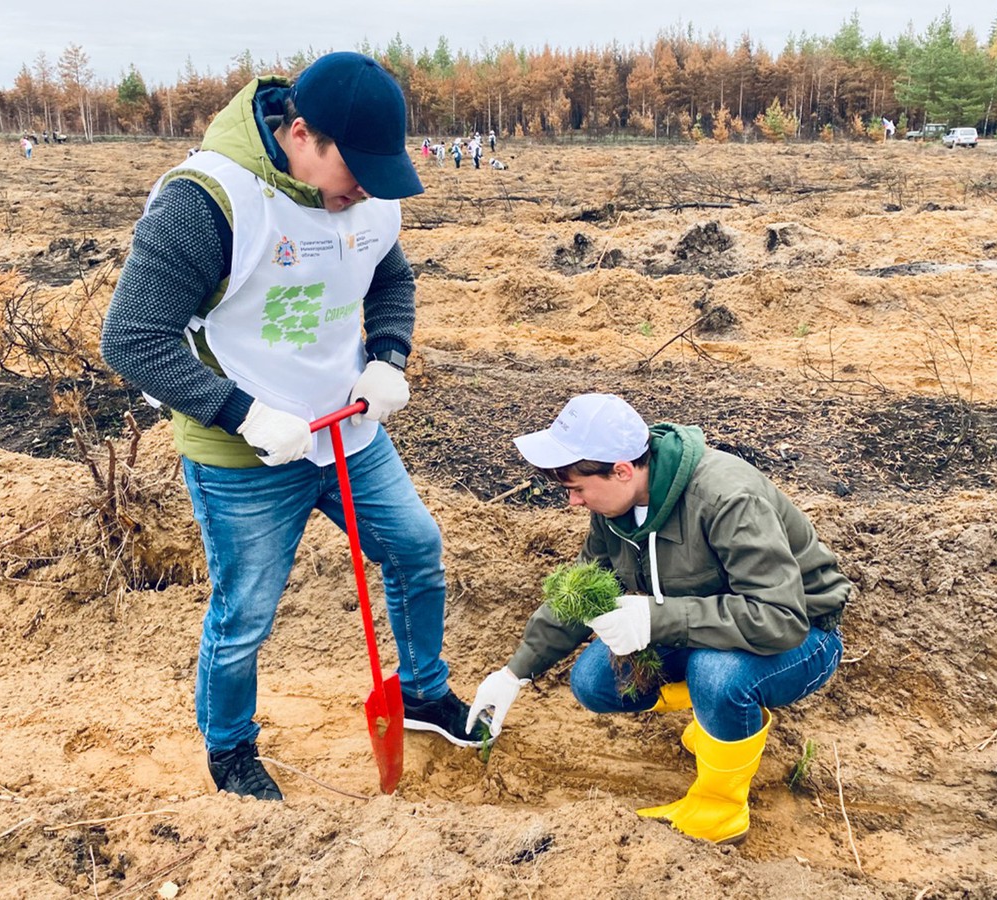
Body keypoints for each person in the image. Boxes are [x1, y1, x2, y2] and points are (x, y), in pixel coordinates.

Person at [101, 51, 486, 803]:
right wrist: (242, 414)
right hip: (244, 455)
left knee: (416, 548)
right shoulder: (207, 200)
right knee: (244, 613)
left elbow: (391, 278)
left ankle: (421, 691)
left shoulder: (367, 199)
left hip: (347, 431)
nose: (364, 192)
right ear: (299, 133)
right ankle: (231, 751)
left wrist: (388, 357)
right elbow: (132, 336)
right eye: (356, 171)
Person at [468, 393, 850, 843]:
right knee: (595, 680)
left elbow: (779, 616)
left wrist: (652, 617)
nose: (572, 502)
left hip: (802, 636)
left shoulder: (727, 497)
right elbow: (581, 588)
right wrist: (515, 673)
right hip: (711, 625)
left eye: (576, 488)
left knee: (718, 675)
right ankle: (719, 719)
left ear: (622, 469)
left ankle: (720, 814)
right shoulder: (614, 510)